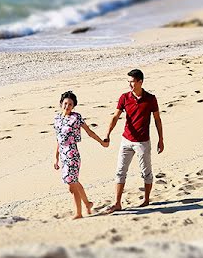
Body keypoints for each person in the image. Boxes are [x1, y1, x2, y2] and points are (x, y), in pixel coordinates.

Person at [103, 69, 164, 213]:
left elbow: (157, 120)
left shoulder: (150, 99)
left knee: (146, 172)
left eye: (132, 81)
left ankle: (146, 200)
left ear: (140, 82)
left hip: (143, 142)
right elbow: (115, 117)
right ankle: (117, 203)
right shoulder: (124, 97)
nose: (130, 84)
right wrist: (108, 134)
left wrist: (161, 139)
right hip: (126, 140)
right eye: (128, 82)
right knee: (120, 171)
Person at [53, 90, 107, 219]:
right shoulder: (57, 118)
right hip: (63, 155)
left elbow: (89, 132)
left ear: (73, 106)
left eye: (70, 104)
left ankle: (78, 213)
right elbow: (58, 139)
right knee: (74, 183)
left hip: (72, 154)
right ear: (61, 103)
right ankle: (87, 204)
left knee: (72, 186)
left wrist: (101, 142)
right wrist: (56, 158)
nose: (67, 106)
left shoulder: (76, 118)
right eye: (65, 103)